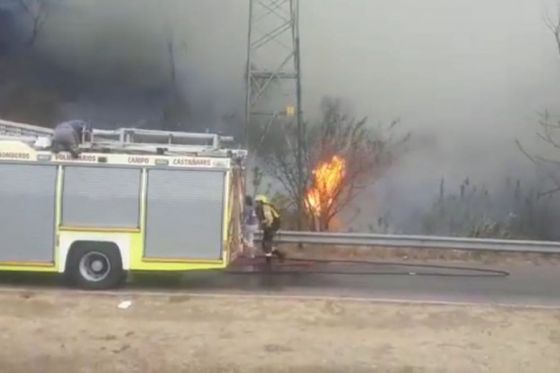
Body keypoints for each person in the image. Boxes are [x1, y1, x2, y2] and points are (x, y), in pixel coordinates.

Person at [254, 194, 285, 262]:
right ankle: (279, 254)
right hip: (270, 225)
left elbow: (269, 218)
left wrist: (265, 224)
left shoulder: (265, 207)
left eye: (258, 202)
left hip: (272, 225)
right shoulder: (263, 207)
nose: (257, 203)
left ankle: (269, 260)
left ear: (262, 201)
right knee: (265, 243)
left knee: (267, 242)